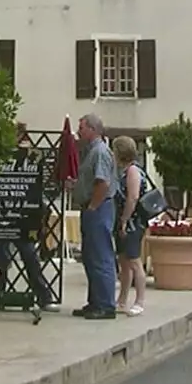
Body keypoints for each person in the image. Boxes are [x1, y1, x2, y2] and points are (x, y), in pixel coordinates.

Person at [0, 124, 58, 312]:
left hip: (23, 215)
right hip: (0, 213)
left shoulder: (29, 156)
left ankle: (43, 296)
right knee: (1, 257)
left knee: (29, 256)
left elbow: (34, 185)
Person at [72, 113, 119, 320]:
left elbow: (103, 183)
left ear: (92, 129)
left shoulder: (100, 152)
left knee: (101, 256)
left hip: (99, 210)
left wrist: (92, 206)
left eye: (81, 128)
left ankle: (106, 305)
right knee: (91, 257)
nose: (78, 131)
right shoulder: (90, 152)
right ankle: (95, 301)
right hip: (92, 208)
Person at [112, 136, 147, 316]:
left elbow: (132, 197)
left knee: (134, 260)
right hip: (124, 221)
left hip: (133, 222)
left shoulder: (133, 171)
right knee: (124, 261)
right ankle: (122, 299)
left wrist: (125, 220)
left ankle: (140, 300)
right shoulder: (123, 171)